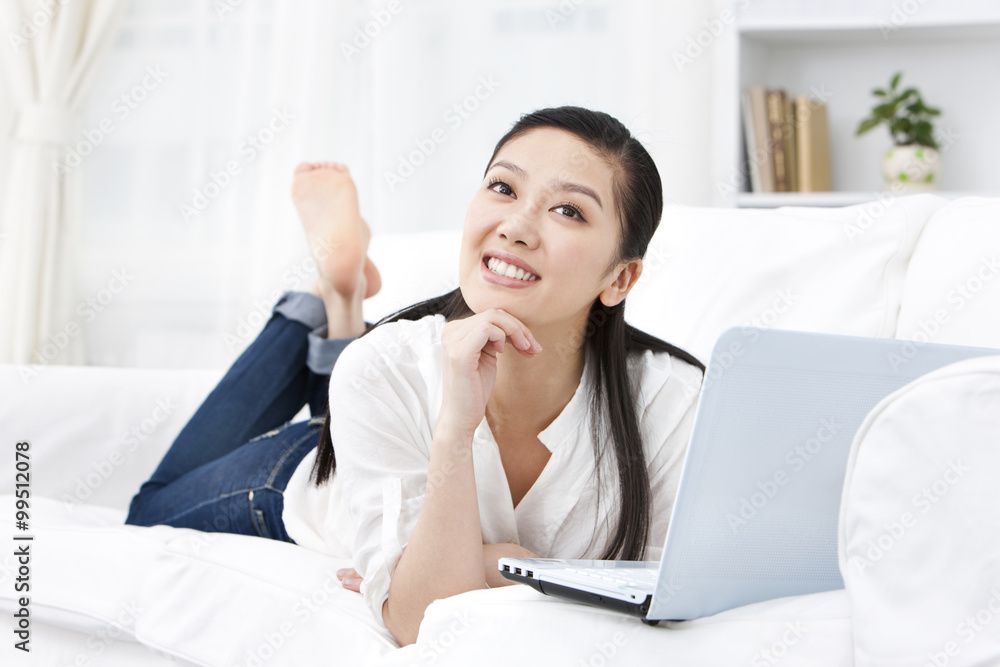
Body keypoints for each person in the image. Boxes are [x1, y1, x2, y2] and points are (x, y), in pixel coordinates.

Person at [125, 106, 705, 646]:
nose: (516, 226)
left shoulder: (672, 401)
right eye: (503, 187)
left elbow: (668, 590)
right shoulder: (383, 368)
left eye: (568, 210)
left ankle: (343, 302)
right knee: (147, 511)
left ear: (621, 279)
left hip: (380, 425)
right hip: (310, 473)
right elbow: (418, 621)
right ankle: (324, 300)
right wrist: (456, 425)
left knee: (365, 378)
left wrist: (493, 562)